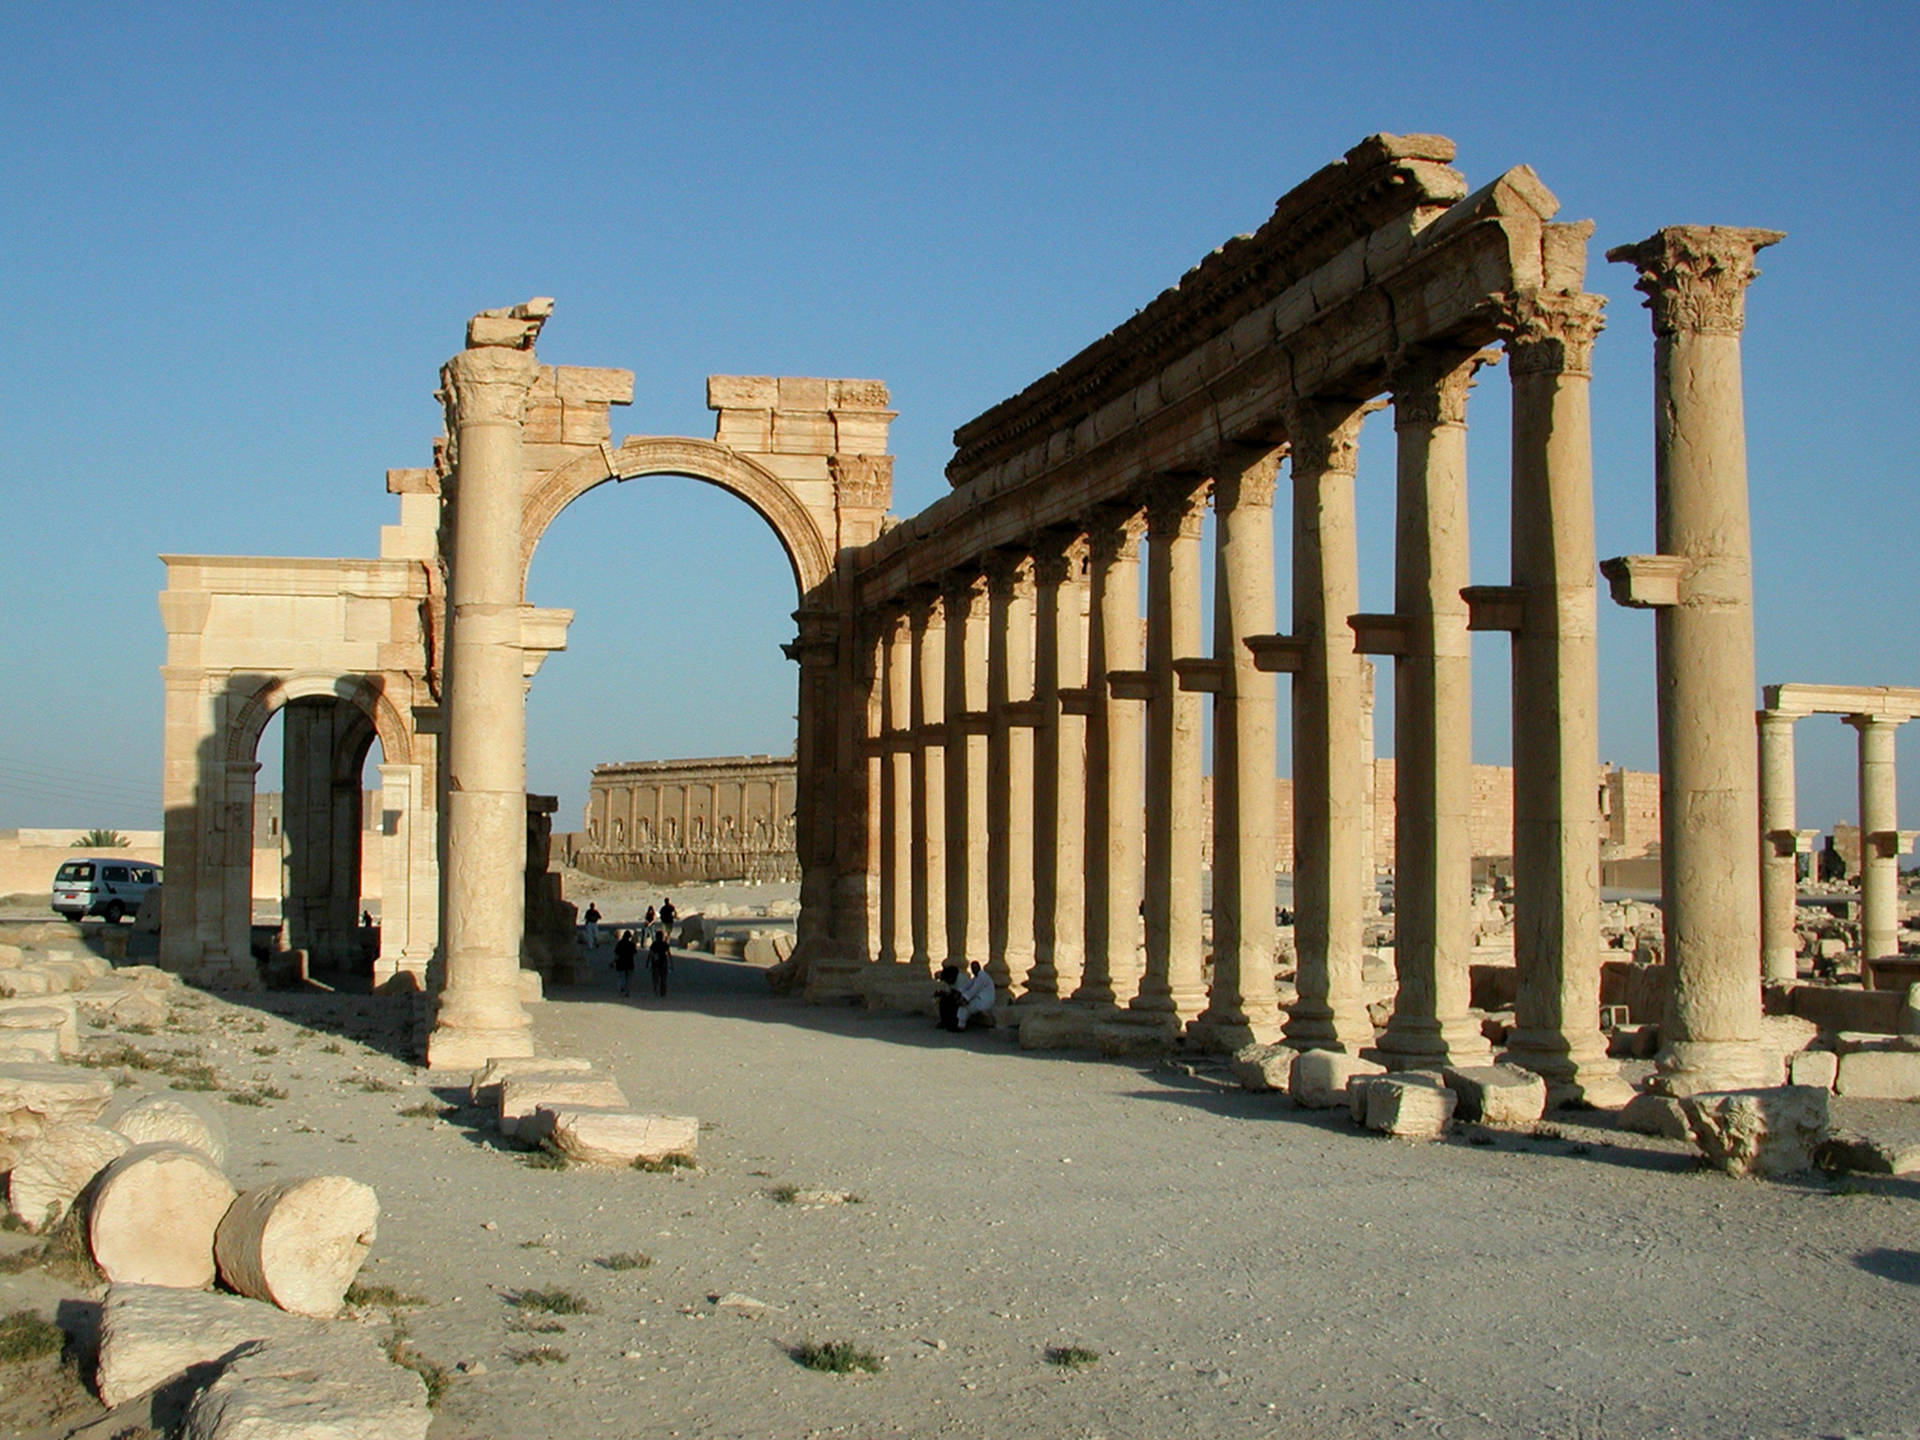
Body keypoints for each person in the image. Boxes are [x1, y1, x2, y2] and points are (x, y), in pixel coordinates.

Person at [954, 960, 996, 1030]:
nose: (973, 970)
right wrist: (959, 992)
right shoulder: (976, 977)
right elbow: (967, 986)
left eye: (974, 968)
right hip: (980, 999)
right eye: (972, 968)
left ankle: (961, 1026)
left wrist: (964, 999)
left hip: (984, 1001)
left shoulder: (982, 977)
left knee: (965, 1006)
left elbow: (974, 990)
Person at [934, 963, 963, 1032]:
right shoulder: (950, 981)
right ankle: (944, 1021)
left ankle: (953, 1023)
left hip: (963, 998)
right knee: (943, 1001)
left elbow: (959, 993)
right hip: (954, 996)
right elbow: (949, 991)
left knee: (952, 1004)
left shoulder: (961, 981)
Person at [647, 926, 673, 997]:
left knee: (655, 977)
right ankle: (663, 991)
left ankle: (656, 990)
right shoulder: (665, 944)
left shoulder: (654, 944)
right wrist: (671, 963)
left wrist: (647, 962)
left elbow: (650, 953)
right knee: (663, 978)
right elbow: (668, 953)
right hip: (664, 962)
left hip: (655, 962)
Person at [612, 930, 637, 996]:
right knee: (629, 978)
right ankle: (627, 991)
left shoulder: (619, 943)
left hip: (620, 963)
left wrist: (613, 961)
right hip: (629, 963)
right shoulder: (631, 944)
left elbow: (616, 954)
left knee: (621, 977)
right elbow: (634, 953)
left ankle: (621, 988)